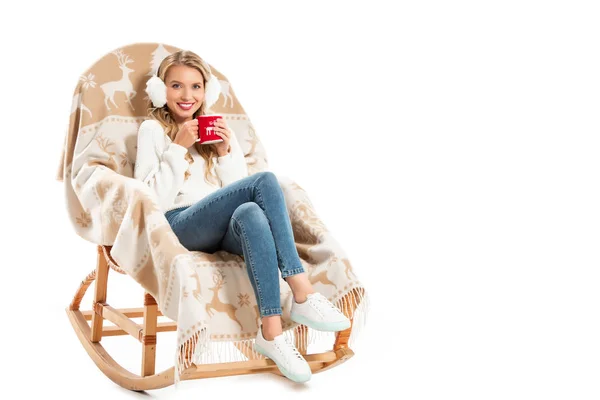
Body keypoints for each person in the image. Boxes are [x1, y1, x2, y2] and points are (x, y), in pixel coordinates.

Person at [133, 50, 350, 383]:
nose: (187, 96)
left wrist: (223, 153)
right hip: (179, 224)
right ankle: (302, 290)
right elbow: (150, 200)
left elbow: (239, 195)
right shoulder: (152, 130)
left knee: (250, 212)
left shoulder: (221, 132)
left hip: (222, 226)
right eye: (177, 86)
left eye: (196, 87)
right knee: (265, 180)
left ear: (207, 92)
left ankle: (272, 333)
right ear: (162, 91)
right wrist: (177, 147)